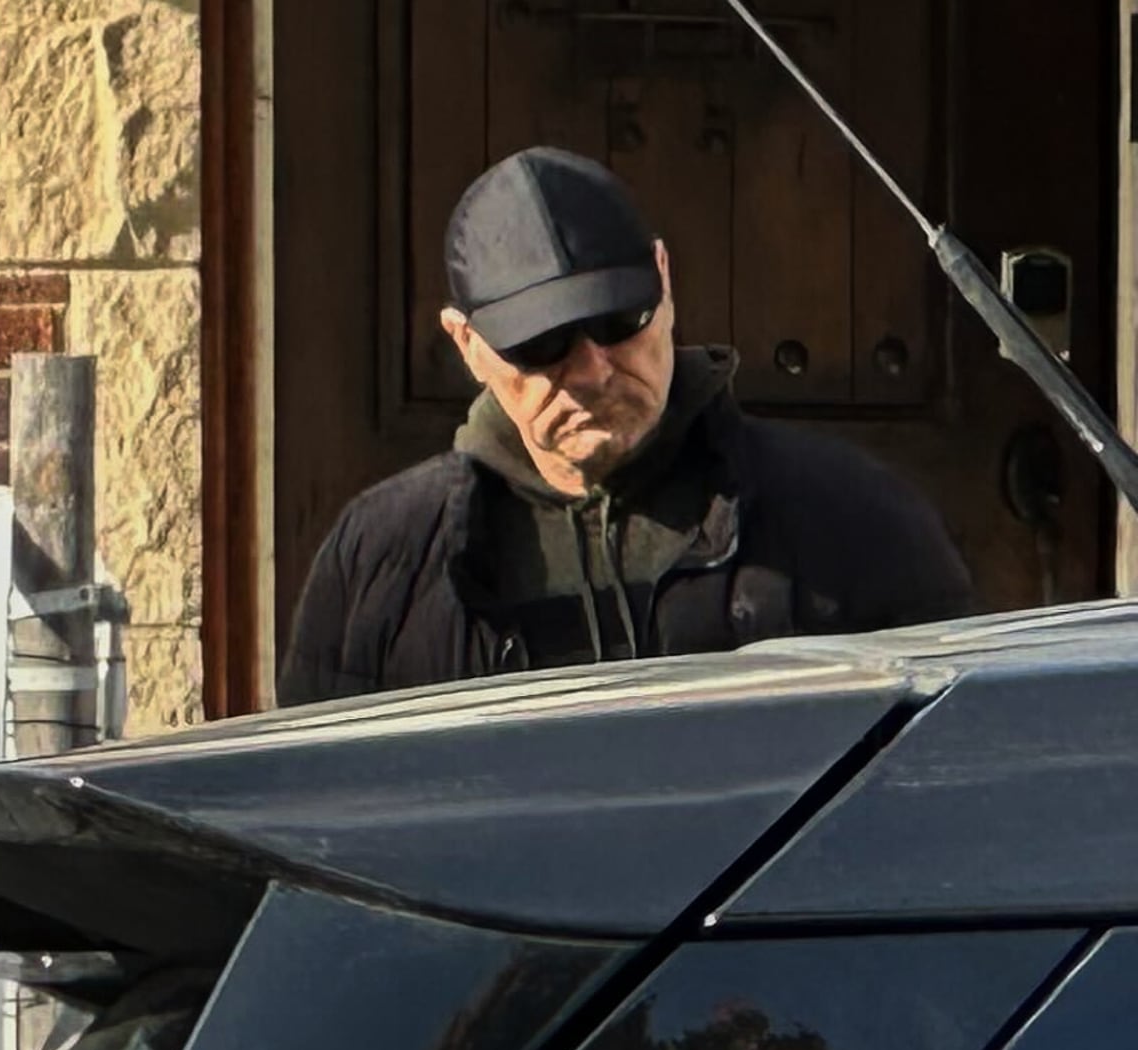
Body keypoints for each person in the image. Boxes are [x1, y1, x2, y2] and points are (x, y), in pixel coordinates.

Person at [281, 146, 971, 706]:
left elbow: (952, 783)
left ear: (665, 281)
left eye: (618, 321)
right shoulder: (381, 563)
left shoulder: (853, 519)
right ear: (466, 344)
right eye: (539, 343)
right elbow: (311, 822)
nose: (590, 370)